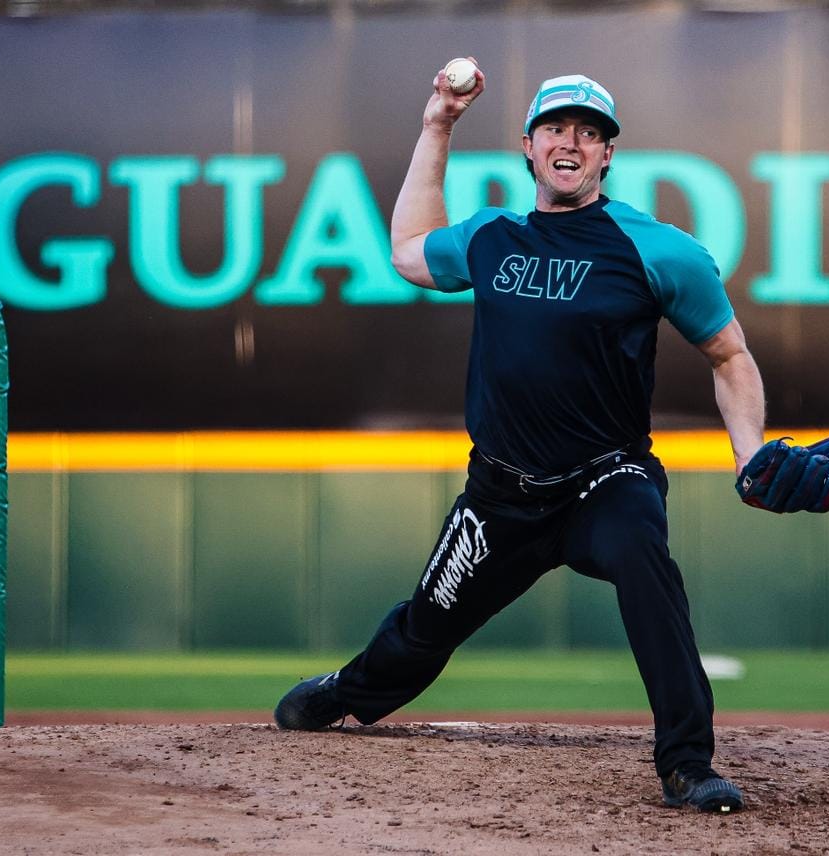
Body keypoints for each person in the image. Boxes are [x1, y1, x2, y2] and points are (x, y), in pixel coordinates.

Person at [274, 62, 766, 814]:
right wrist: (438, 122)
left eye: (589, 132)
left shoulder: (660, 250)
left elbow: (730, 355)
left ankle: (687, 763)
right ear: (529, 147)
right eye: (555, 128)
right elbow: (409, 250)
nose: (571, 141)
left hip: (605, 480)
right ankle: (349, 689)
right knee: (422, 630)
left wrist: (750, 452)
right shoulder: (493, 236)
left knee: (646, 564)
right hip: (500, 496)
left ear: (608, 154)